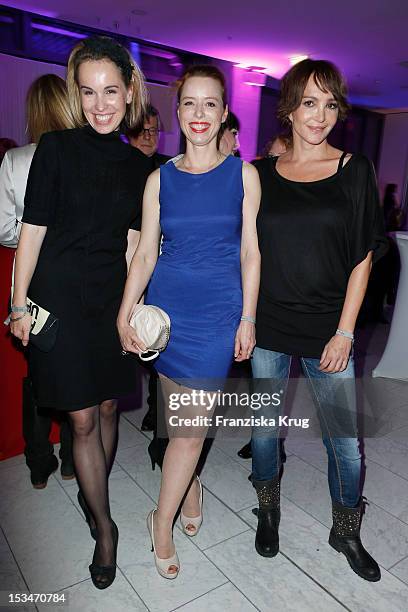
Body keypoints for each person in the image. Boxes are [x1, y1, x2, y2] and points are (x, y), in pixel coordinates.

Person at [10, 36, 150, 589]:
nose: (100, 104)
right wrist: (18, 303)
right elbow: (32, 232)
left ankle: (98, 493)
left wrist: (131, 310)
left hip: (111, 302)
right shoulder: (56, 150)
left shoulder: (140, 166)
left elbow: (135, 247)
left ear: (130, 90)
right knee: (83, 417)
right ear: (75, 92)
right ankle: (105, 526)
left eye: (111, 90)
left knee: (111, 407)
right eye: (88, 92)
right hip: (61, 302)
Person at [117, 64, 261, 578]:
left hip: (219, 316)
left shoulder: (244, 174)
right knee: (183, 423)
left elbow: (250, 252)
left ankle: (161, 521)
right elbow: (145, 255)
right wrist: (125, 310)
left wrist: (248, 316)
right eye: (189, 104)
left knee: (190, 430)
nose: (199, 114)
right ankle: (190, 488)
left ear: (224, 113)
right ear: (178, 113)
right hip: (167, 313)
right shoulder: (159, 178)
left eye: (210, 104)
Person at [251, 59, 387, 582]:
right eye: (310, 102)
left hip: (329, 329)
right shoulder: (260, 175)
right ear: (288, 108)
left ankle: (345, 528)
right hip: (268, 323)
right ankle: (267, 509)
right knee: (264, 430)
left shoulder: (355, 170)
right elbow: (247, 253)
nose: (320, 115)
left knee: (345, 442)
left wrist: (346, 331)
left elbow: (361, 256)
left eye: (330, 105)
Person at [0, 74, 76, 488]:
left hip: (31, 281)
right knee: (72, 366)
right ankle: (69, 454)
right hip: (73, 278)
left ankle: (37, 458)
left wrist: (28, 235)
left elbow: (4, 230)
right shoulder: (79, 155)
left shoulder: (15, 161)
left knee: (36, 369)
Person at [127, 104, 170, 170]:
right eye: (140, 130)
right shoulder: (115, 168)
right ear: (129, 134)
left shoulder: (170, 167)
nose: (147, 137)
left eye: (152, 131)